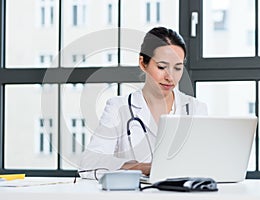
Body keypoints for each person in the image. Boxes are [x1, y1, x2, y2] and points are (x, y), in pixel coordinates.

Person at [78, 27, 207, 179]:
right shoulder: (118, 107)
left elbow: (206, 162)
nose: (170, 77)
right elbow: (88, 164)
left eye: (178, 68)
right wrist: (140, 167)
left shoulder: (195, 108)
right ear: (143, 63)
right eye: (161, 67)